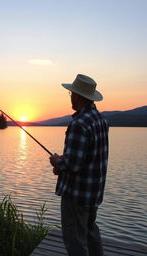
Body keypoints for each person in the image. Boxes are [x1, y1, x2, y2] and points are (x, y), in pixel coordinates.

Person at [49, 74, 109, 256]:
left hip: (76, 195)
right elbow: (87, 156)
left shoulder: (79, 124)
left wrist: (58, 161)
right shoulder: (101, 120)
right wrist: (64, 162)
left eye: (71, 93)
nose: (71, 97)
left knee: (75, 240)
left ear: (78, 96)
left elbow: (73, 165)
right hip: (94, 192)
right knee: (90, 232)